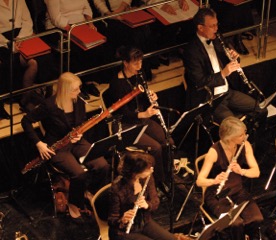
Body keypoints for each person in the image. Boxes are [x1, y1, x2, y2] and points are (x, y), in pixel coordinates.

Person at [21, 72, 110, 220]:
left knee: (103, 165)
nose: (80, 92)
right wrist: (39, 143)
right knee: (79, 174)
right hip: (57, 147)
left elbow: (81, 123)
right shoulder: (49, 105)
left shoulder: (79, 101)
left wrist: (80, 135)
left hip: (76, 142)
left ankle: (87, 191)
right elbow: (26, 121)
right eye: (76, 89)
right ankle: (74, 204)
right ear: (65, 90)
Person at [182, 8, 267, 144]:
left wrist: (235, 58)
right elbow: (200, 82)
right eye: (212, 26)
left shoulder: (218, 38)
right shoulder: (191, 51)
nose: (216, 28)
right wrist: (223, 73)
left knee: (261, 109)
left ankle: (254, 142)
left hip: (227, 92)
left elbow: (230, 62)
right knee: (235, 128)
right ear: (200, 28)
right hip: (211, 100)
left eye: (217, 24)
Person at [107, 47, 173, 193]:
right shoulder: (117, 84)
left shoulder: (139, 75)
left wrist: (151, 98)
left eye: (140, 61)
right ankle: (158, 183)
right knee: (155, 148)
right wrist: (144, 114)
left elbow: (142, 98)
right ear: (125, 63)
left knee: (167, 140)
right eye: (135, 63)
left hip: (142, 118)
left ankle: (169, 175)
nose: (139, 66)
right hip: (126, 125)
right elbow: (122, 113)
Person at [196, 116, 264, 240]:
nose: (244, 136)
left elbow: (256, 172)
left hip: (238, 191)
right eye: (241, 135)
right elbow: (200, 181)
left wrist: (241, 171)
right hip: (218, 196)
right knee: (235, 223)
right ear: (229, 138)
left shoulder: (245, 145)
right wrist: (214, 180)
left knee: (256, 219)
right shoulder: (214, 152)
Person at [0, 0, 56, 113]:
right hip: (3, 42)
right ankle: (26, 99)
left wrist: (21, 38)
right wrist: (9, 43)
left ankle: (29, 98)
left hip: (22, 36)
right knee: (29, 62)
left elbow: (27, 21)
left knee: (43, 58)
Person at [108, 151, 178, 240]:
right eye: (147, 168)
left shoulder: (147, 178)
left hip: (144, 222)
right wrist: (122, 219)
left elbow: (155, 201)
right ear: (135, 172)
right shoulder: (117, 188)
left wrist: (147, 205)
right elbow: (111, 219)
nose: (151, 169)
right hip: (122, 231)